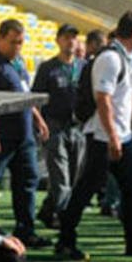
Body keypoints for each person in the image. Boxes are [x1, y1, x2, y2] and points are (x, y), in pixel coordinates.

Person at [56, 11, 132, 259]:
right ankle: (65, 239)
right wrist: (112, 136)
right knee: (86, 190)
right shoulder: (111, 58)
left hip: (120, 135)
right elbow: (103, 99)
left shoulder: (124, 58)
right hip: (104, 136)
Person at [0, 19, 51, 247]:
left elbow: (24, 93)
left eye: (21, 42)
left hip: (23, 135)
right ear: (0, 38)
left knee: (28, 180)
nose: (18, 46)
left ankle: (26, 229)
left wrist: (38, 118)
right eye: (13, 42)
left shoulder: (18, 63)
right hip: (0, 135)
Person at [32, 24, 86, 229]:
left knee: (73, 176)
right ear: (58, 40)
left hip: (76, 126)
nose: (70, 41)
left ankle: (48, 209)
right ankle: (65, 222)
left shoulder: (82, 67)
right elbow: (35, 98)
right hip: (54, 125)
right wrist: (40, 122)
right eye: (66, 37)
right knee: (61, 178)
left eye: (74, 37)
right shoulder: (48, 68)